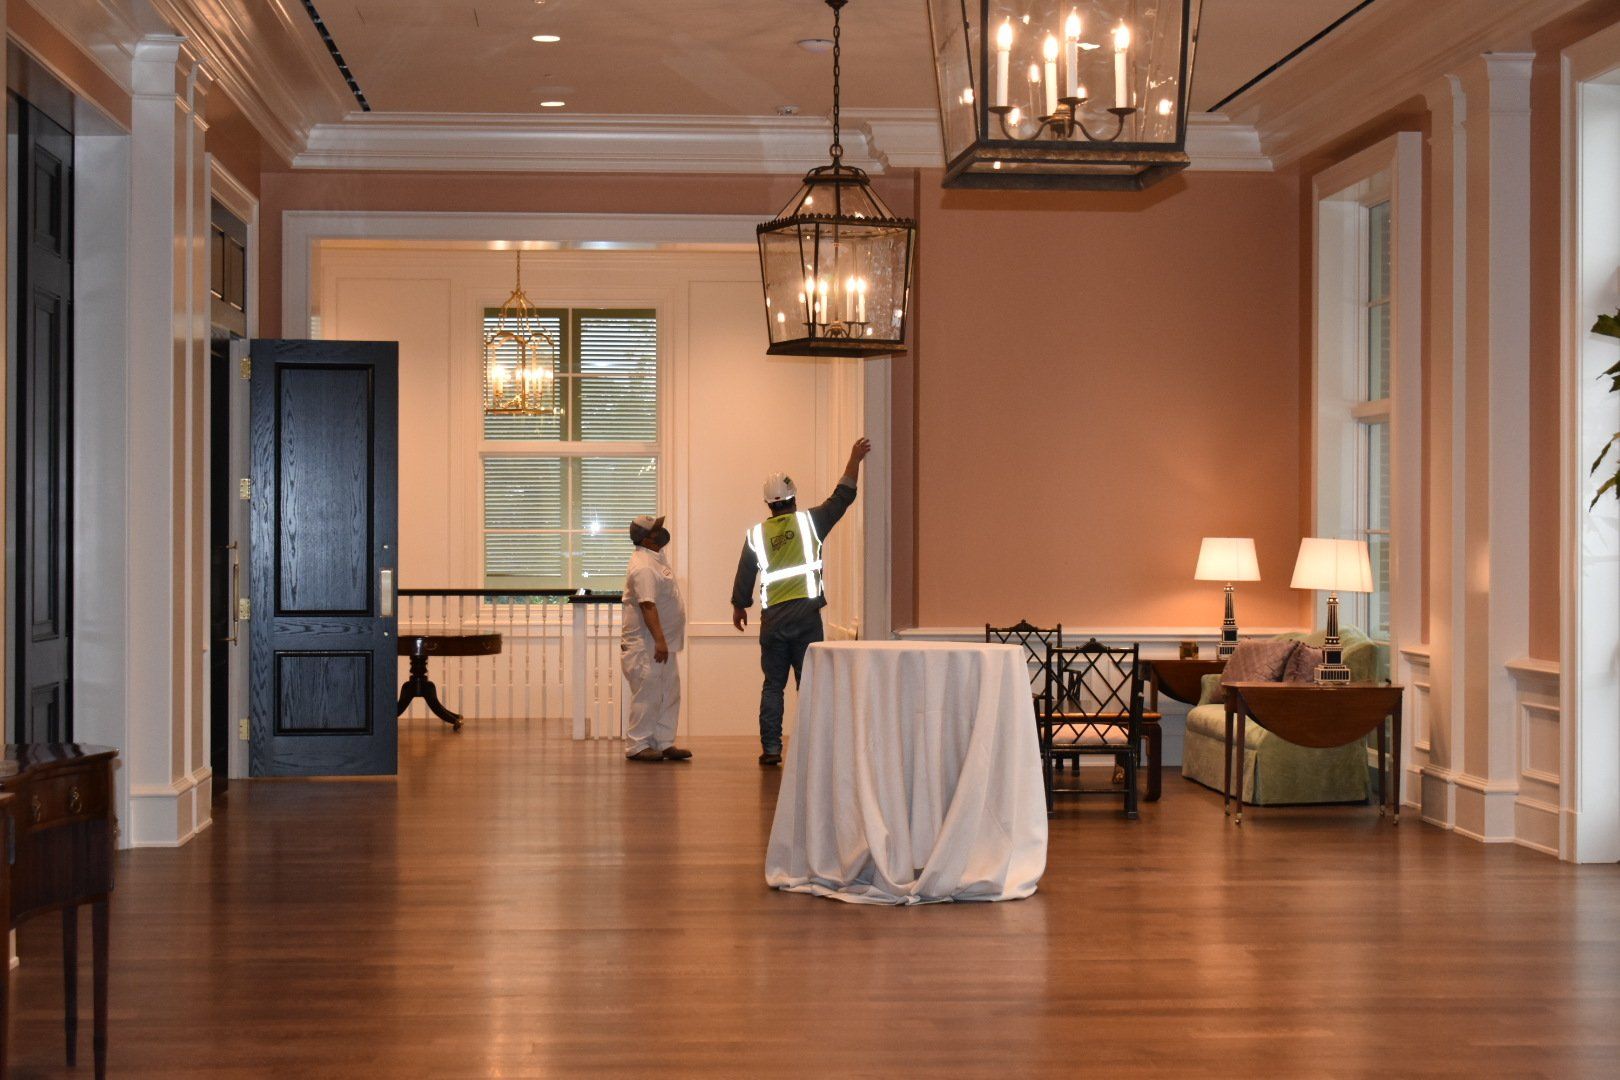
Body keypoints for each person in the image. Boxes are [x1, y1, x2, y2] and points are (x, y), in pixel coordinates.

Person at [732, 437, 872, 766]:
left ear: (768, 503)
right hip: (806, 618)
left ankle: (771, 749)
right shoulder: (811, 523)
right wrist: (855, 458)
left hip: (773, 621)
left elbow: (745, 574)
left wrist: (740, 606)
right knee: (808, 685)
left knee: (773, 685)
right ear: (793, 497)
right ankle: (811, 750)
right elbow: (843, 496)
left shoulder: (756, 535)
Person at [622, 514, 691, 763]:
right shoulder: (643, 566)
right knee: (648, 694)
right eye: (656, 530)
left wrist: (664, 641)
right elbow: (647, 605)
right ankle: (638, 744)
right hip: (647, 644)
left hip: (663, 643)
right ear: (646, 539)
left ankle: (664, 742)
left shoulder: (655, 558)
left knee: (669, 692)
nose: (662, 532)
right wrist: (660, 640)